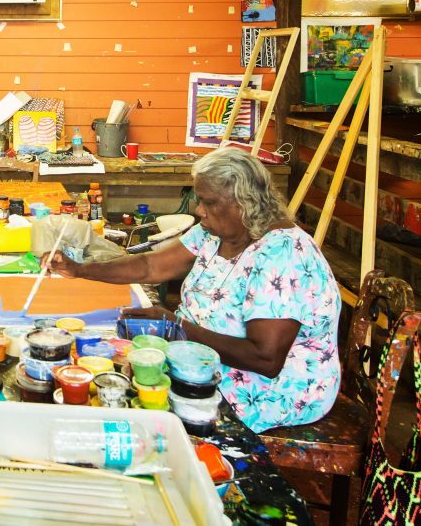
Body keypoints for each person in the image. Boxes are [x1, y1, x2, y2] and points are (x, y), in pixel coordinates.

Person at [45, 147, 341, 433]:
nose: (199, 211)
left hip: (264, 390)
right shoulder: (215, 233)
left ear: (243, 201)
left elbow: (265, 359)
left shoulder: (283, 255)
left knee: (133, 402)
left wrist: (176, 328)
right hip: (199, 361)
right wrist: (79, 269)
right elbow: (151, 267)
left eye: (208, 202)